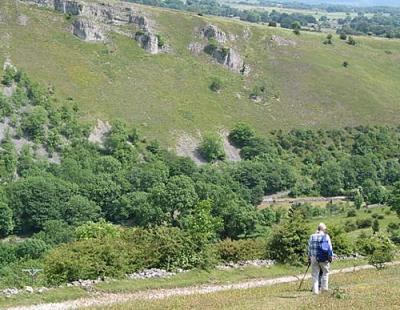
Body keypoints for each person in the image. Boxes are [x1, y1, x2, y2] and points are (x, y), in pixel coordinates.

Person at [308, 223, 333, 294]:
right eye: (325, 229)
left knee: (315, 274)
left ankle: (315, 291)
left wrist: (309, 257)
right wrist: (331, 257)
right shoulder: (326, 236)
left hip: (313, 257)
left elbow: (309, 248)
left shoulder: (311, 236)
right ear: (323, 229)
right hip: (323, 258)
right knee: (325, 273)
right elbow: (330, 248)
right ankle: (324, 290)